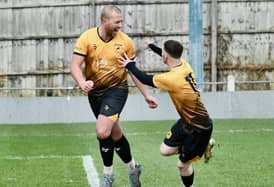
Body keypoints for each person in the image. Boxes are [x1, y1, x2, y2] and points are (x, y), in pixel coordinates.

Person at [71, 5, 158, 187]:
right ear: (105, 21)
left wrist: (146, 94)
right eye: (117, 22)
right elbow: (75, 65)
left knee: (102, 131)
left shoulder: (125, 42)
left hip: (117, 90)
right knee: (115, 134)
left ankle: (108, 176)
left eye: (121, 21)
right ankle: (133, 168)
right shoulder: (87, 38)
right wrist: (81, 82)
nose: (120, 25)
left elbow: (133, 71)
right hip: (95, 93)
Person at [119, 39, 214, 187]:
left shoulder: (172, 78)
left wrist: (129, 65)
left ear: (166, 57)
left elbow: (144, 78)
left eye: (162, 52)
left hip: (200, 129)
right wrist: (152, 46)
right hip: (186, 121)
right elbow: (166, 55)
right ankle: (200, 148)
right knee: (165, 150)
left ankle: (190, 183)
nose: (162, 54)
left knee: (182, 166)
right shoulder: (184, 65)